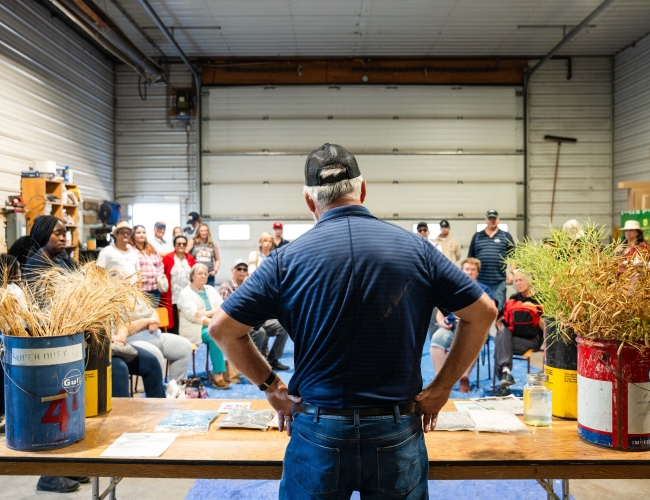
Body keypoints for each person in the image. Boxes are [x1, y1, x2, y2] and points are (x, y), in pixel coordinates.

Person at [209, 143, 496, 499]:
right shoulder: (418, 250)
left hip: (318, 426)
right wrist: (441, 388)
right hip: (396, 426)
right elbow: (483, 312)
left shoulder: (285, 261)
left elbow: (222, 328)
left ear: (309, 201)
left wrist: (271, 386)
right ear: (362, 189)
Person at [20, 216, 90, 494]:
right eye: (57, 234)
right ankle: (48, 474)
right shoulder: (37, 264)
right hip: (48, 343)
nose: (63, 238)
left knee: (69, 406)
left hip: (68, 340)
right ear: (42, 234)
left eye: (65, 233)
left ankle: (68, 464)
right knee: (51, 407)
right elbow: (45, 306)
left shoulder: (63, 259)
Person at [430, 258, 495, 393]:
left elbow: (492, 311)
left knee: (474, 342)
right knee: (436, 339)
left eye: (473, 270)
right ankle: (440, 379)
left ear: (477, 272)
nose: (469, 272)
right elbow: (440, 310)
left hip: (474, 328)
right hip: (452, 326)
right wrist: (441, 321)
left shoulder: (485, 290)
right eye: (467, 269)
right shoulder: (453, 288)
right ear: (462, 271)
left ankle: (464, 378)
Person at [178, 264, 230, 389]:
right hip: (194, 328)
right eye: (200, 273)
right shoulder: (186, 293)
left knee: (230, 333)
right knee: (214, 336)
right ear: (192, 276)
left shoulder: (210, 289)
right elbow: (193, 316)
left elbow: (222, 306)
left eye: (205, 274)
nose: (203, 276)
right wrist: (213, 322)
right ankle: (218, 376)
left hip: (213, 324)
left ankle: (233, 373)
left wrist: (207, 313)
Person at [494, 272, 544, 396]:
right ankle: (506, 373)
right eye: (516, 281)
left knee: (500, 344)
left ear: (530, 280)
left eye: (521, 280)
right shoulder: (514, 298)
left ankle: (504, 380)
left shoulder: (540, 299)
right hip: (512, 338)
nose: (518, 283)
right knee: (502, 334)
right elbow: (499, 323)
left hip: (531, 340)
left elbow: (546, 328)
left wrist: (535, 311)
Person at [122, 299, 193, 383]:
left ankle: (176, 391)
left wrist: (155, 318)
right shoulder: (110, 297)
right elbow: (120, 330)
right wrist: (146, 321)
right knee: (155, 354)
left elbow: (152, 311)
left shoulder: (134, 294)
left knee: (184, 346)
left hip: (155, 335)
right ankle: (157, 394)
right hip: (132, 342)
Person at [467, 209, 515, 310]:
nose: (492, 221)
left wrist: (512, 273)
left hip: (499, 282)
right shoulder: (477, 236)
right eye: (490, 218)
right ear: (486, 220)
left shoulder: (506, 236)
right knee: (480, 309)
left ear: (498, 220)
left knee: (498, 310)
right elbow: (470, 258)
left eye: (494, 218)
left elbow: (514, 256)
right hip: (480, 282)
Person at [218, 259, 267, 354]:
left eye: (245, 269)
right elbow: (221, 312)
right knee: (259, 332)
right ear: (233, 270)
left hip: (246, 320)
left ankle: (269, 359)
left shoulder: (248, 286)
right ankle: (251, 361)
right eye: (239, 269)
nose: (242, 271)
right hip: (232, 323)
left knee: (276, 326)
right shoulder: (226, 286)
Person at [161, 235, 196, 334]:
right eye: (179, 244)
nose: (181, 246)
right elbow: (162, 274)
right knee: (174, 320)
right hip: (172, 295)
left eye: (184, 244)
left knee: (187, 320)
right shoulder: (168, 258)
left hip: (188, 294)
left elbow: (195, 274)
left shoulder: (190, 258)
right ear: (174, 245)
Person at [95, 221, 140, 286]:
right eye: (122, 232)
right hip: (113, 294)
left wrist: (139, 293)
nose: (125, 234)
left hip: (133, 294)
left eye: (128, 233)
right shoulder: (107, 251)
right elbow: (98, 274)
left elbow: (138, 274)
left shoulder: (133, 254)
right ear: (116, 234)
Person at [131, 225, 165, 306]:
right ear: (133, 235)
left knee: (154, 313)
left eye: (144, 232)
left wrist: (160, 275)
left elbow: (160, 264)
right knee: (143, 314)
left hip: (155, 288)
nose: (142, 234)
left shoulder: (151, 247)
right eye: (138, 233)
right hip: (141, 289)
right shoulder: (130, 249)